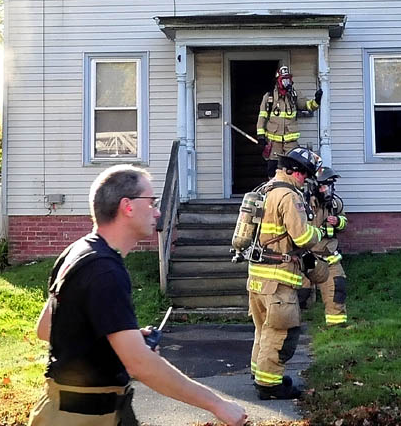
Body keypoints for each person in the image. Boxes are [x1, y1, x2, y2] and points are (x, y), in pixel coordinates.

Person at [28, 164, 248, 426]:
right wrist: (218, 404)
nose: (157, 211)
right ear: (127, 206)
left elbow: (47, 328)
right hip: (84, 418)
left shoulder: (78, 251)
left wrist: (124, 338)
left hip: (72, 409)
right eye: (152, 202)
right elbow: (140, 365)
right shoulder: (104, 272)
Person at [247, 147, 323, 400]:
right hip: (278, 279)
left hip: (257, 277)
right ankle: (270, 386)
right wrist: (320, 233)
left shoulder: (264, 190)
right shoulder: (288, 196)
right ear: (294, 171)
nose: (305, 181)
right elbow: (302, 236)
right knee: (281, 331)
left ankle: (259, 374)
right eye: (305, 175)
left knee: (263, 330)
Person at [256, 66, 323, 176]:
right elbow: (262, 117)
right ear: (278, 81)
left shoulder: (294, 96)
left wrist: (316, 100)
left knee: (292, 169)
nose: (287, 82)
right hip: (274, 143)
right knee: (273, 169)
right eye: (284, 79)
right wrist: (261, 137)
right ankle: (273, 191)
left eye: (288, 79)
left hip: (291, 143)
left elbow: (308, 105)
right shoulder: (269, 97)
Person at [303, 164, 348, 327]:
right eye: (323, 186)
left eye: (330, 186)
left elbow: (344, 222)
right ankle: (288, 328)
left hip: (329, 255)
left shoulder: (335, 204)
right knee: (297, 295)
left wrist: (337, 222)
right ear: (314, 186)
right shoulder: (304, 204)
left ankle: (337, 328)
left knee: (338, 289)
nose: (327, 190)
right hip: (306, 257)